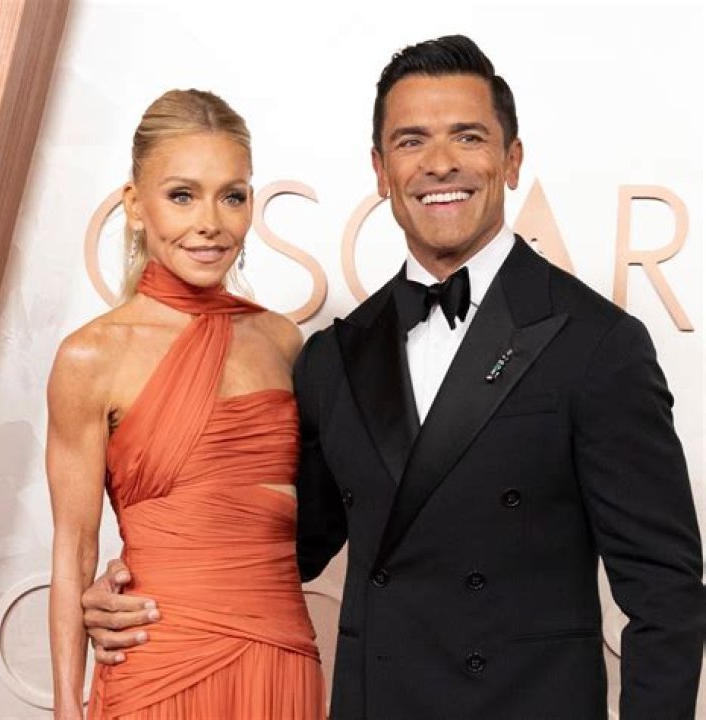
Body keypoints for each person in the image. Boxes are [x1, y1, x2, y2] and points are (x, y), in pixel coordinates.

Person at [81, 37, 705, 719]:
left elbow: (665, 592)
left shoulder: (596, 343)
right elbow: (285, 547)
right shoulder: (334, 356)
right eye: (411, 141)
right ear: (380, 171)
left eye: (468, 136)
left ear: (512, 159)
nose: (439, 163)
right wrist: (146, 584)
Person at [46, 89, 325, 720]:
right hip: (156, 657)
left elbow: (326, 508)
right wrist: (66, 704)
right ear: (135, 205)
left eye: (232, 196)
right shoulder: (91, 356)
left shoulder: (282, 342)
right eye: (182, 195)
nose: (210, 222)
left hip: (279, 658)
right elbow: (73, 547)